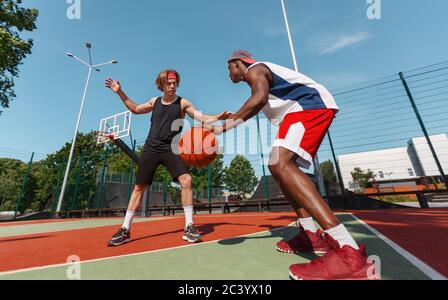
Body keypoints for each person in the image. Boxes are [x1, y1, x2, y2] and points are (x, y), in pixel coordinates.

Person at [213, 50, 374, 280]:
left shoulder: (254, 70)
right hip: (302, 110)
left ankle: (347, 251)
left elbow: (258, 100)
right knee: (278, 167)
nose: (228, 72)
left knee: (280, 163)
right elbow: (258, 99)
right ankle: (310, 234)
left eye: (228, 67)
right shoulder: (259, 74)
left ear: (237, 63)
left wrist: (227, 125)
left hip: (309, 106)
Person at [105, 69, 231, 246]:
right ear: (162, 84)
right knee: (139, 187)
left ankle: (189, 226)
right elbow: (134, 109)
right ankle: (125, 229)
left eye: (175, 83)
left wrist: (218, 117)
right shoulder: (154, 101)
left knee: (186, 180)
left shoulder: (182, 103)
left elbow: (201, 117)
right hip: (151, 148)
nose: (172, 86)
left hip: (172, 148)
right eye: (169, 83)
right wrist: (119, 91)